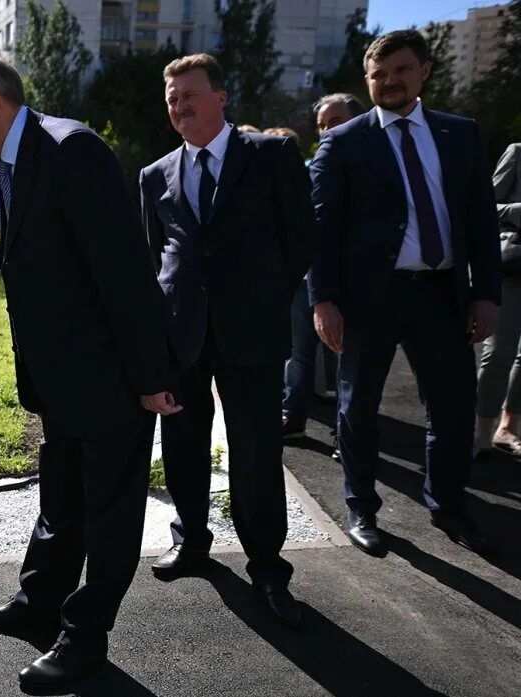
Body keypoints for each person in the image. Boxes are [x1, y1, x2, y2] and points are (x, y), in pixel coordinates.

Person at [0, 51, 175, 689]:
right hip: (59, 380)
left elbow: (124, 271)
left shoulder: (72, 151)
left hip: (111, 378)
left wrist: (152, 375)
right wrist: (34, 382)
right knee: (61, 498)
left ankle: (84, 639)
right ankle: (40, 603)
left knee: (109, 513)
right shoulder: (5, 171)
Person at [309, 30, 501, 558]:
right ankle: (361, 508)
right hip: (369, 299)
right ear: (367, 81)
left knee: (454, 405)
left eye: (400, 70)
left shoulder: (459, 135)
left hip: (442, 295)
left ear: (424, 71)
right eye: (378, 74)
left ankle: (448, 504)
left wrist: (486, 293)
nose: (389, 81)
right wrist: (323, 300)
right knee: (359, 407)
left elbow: (480, 221)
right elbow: (320, 231)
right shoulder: (345, 141)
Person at [139, 53, 312, 627]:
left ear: (221, 96)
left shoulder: (271, 155)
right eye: (171, 99)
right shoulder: (155, 174)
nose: (179, 107)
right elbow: (153, 257)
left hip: (252, 335)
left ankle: (266, 566)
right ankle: (192, 541)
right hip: (181, 335)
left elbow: (298, 243)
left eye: (189, 95)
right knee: (183, 445)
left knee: (256, 453)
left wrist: (260, 298)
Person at [282, 94, 367, 439]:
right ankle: (292, 417)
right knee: (299, 353)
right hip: (309, 279)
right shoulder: (309, 168)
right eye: (321, 126)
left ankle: (345, 434)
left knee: (351, 361)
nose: (327, 131)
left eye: (335, 122)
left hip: (357, 279)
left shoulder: (377, 167)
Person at [475, 142, 521, 457]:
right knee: (499, 352)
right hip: (513, 266)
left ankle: (508, 427)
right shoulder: (517, 153)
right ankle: (480, 431)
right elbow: (483, 207)